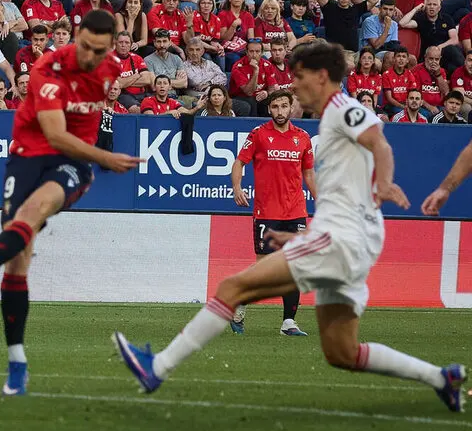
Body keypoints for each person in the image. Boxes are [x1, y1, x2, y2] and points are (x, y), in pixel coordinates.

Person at [115, 40, 467, 411]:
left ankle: (158, 367)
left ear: (321, 77)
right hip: (346, 238)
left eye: (299, 78)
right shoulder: (324, 119)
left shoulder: (342, 108)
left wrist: (382, 183)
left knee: (234, 287)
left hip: (344, 239)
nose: (293, 85)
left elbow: (380, 143)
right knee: (341, 352)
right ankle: (441, 378)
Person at [0, 11, 140, 396]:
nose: (91, 56)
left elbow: (136, 77)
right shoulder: (48, 70)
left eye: (99, 50)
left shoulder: (112, 65)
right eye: (85, 46)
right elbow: (55, 134)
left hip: (72, 163)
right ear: (75, 36)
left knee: (32, 213)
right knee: (18, 258)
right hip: (30, 154)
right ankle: (17, 360)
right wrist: (106, 158)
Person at [228, 91, 317, 336]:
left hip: (296, 211)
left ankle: (288, 323)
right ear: (270, 110)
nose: (279, 111)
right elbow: (239, 162)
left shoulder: (303, 138)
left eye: (284, 106)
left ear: (291, 108)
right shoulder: (258, 134)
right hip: (266, 211)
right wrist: (237, 187)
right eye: (275, 106)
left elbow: (309, 175)